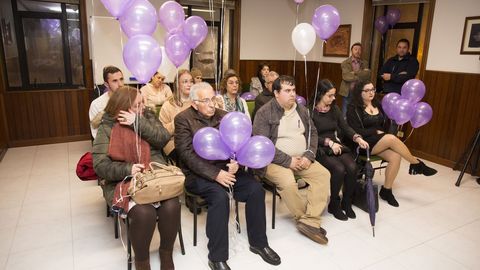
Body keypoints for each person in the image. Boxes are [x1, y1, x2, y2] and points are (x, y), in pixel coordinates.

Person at [175, 82, 281, 270]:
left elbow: (241, 144)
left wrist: (237, 161)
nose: (211, 104)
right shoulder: (183, 119)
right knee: (220, 197)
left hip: (229, 170)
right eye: (205, 100)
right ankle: (217, 257)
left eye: (213, 99)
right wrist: (215, 174)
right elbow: (186, 155)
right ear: (193, 103)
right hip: (199, 175)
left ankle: (259, 243)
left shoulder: (225, 117)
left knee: (256, 190)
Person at [92, 86, 178, 270]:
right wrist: (128, 169)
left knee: (172, 205)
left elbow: (163, 138)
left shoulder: (145, 116)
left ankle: (166, 254)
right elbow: (99, 166)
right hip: (122, 181)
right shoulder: (107, 126)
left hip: (153, 176)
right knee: (144, 212)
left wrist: (137, 122)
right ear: (122, 108)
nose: (144, 106)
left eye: (142, 102)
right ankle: (142, 261)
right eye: (137, 105)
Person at [253, 75, 331, 245]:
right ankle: (306, 220)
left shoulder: (301, 110)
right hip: (273, 161)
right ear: (276, 93)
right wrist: (288, 161)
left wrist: (308, 155)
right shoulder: (264, 113)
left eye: (294, 90)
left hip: (302, 158)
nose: (292, 94)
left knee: (323, 175)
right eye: (287, 91)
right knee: (288, 183)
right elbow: (263, 145)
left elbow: (313, 133)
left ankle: (309, 221)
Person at [346, 80, 437, 207]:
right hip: (362, 144)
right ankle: (416, 164)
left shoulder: (377, 104)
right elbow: (356, 131)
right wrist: (375, 131)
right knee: (391, 139)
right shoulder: (353, 108)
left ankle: (386, 190)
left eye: (373, 89)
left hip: (378, 141)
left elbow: (384, 126)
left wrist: (381, 131)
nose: (371, 93)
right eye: (367, 90)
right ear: (359, 93)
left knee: (395, 156)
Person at [311, 79, 369, 221]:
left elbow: (345, 127)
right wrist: (329, 143)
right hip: (319, 147)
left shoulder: (334, 109)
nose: (333, 98)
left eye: (334, 95)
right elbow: (309, 136)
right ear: (320, 94)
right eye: (329, 95)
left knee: (352, 167)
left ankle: (346, 202)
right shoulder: (309, 111)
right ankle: (334, 204)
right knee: (338, 169)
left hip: (335, 144)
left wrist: (357, 138)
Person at [159, 69, 193, 163]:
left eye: (191, 81)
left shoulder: (197, 102)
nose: (189, 84)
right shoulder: (168, 105)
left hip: (194, 142)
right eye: (185, 82)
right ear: (177, 85)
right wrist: (177, 122)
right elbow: (162, 134)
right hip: (173, 144)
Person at [89, 66, 124, 138]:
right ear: (106, 84)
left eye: (121, 79)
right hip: (109, 142)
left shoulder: (131, 99)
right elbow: (95, 132)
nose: (120, 84)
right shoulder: (97, 104)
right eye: (115, 81)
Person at [339, 42, 371, 117]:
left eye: (359, 50)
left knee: (357, 113)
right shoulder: (345, 63)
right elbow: (346, 77)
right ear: (351, 51)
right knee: (345, 113)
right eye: (355, 49)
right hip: (347, 92)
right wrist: (361, 73)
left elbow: (367, 75)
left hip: (359, 92)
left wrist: (354, 73)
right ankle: (344, 128)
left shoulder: (365, 63)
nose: (358, 51)